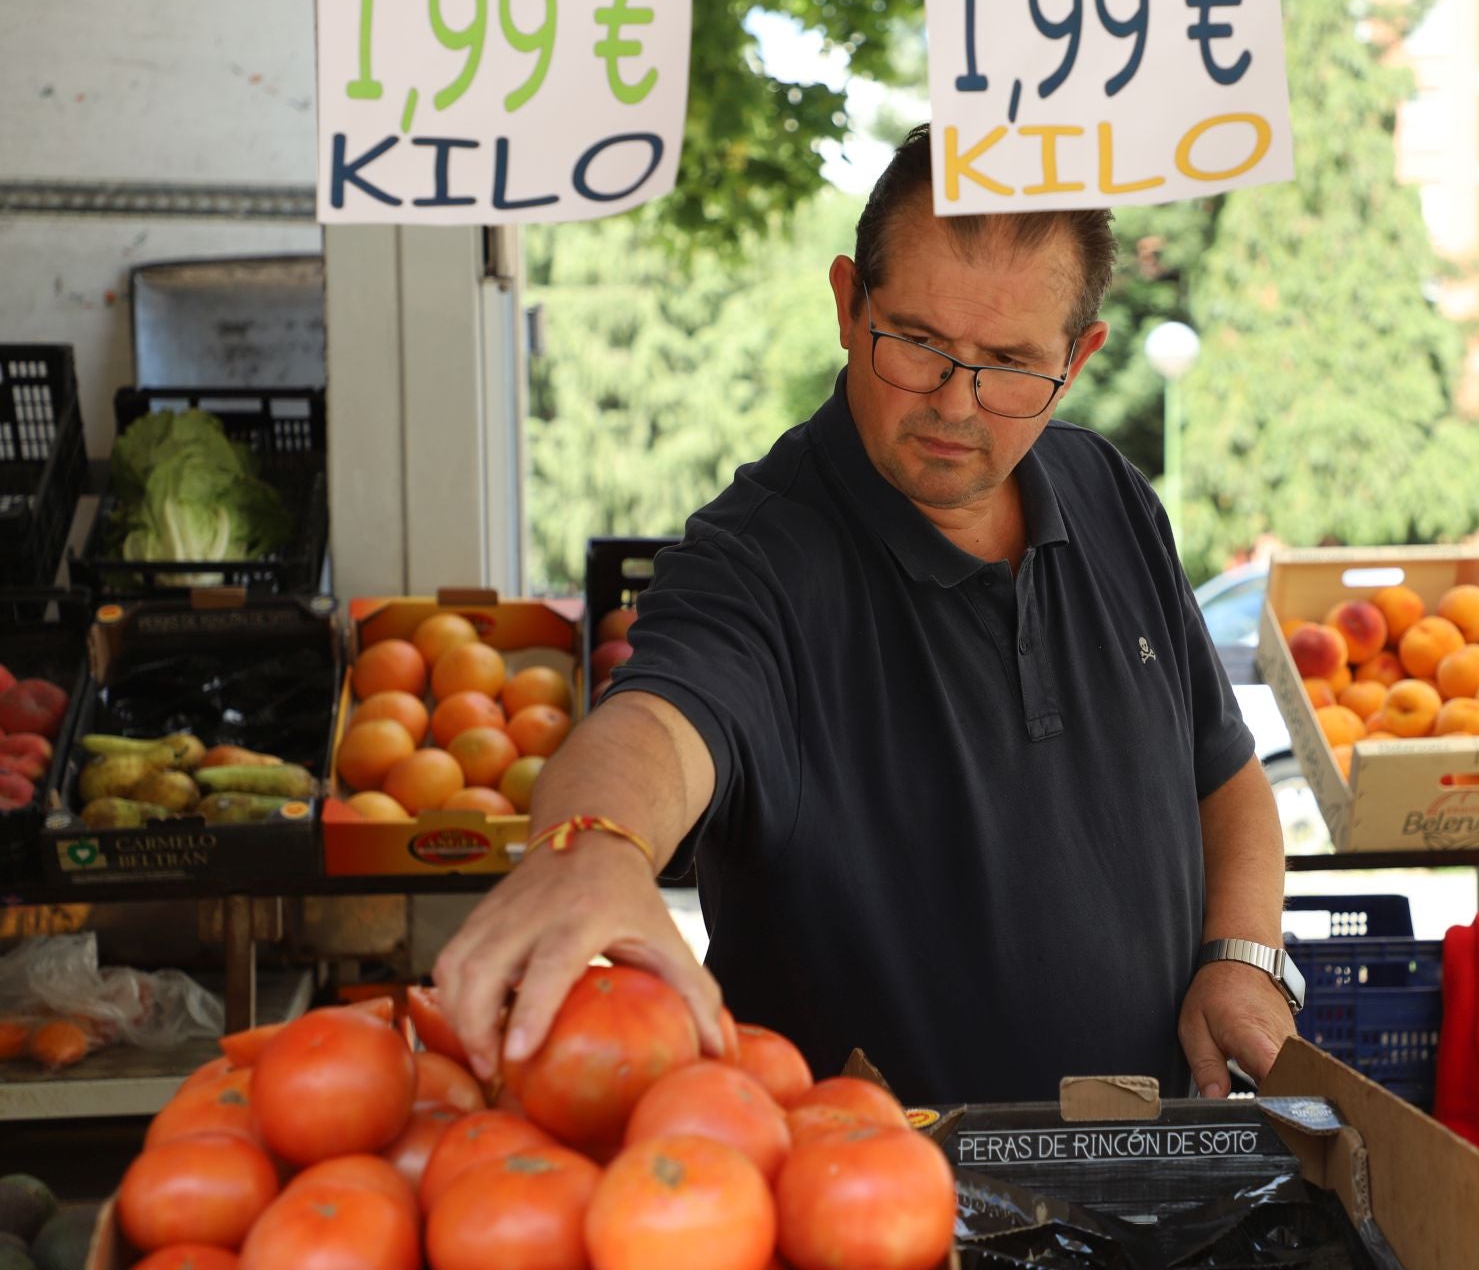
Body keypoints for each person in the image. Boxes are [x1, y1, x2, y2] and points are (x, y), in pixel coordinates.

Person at [435, 126, 1298, 1107]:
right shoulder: (757, 555)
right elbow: (658, 726)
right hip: (867, 1206)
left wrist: (1239, 955)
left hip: (1150, 1191)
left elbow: (1223, 777)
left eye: (1010, 363)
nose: (956, 403)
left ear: (1079, 356)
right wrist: (592, 842)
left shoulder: (1111, 494)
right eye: (919, 342)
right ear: (849, 304)